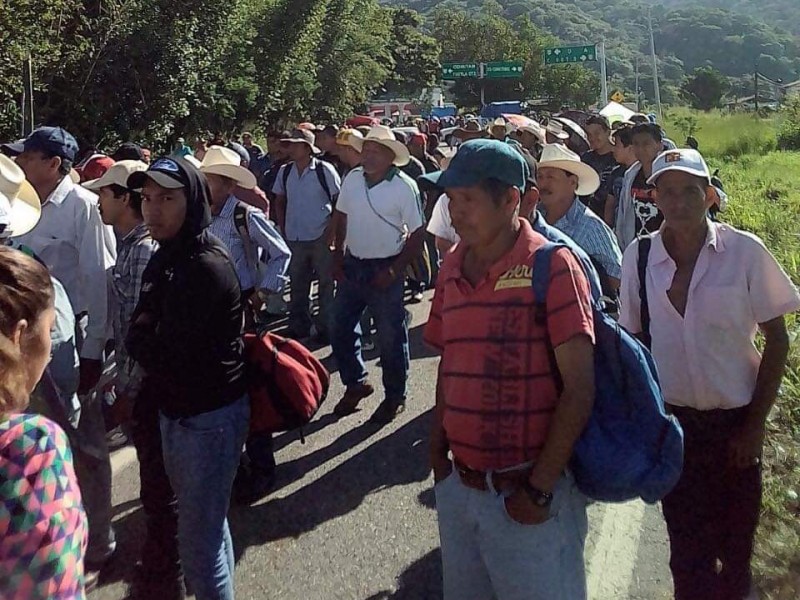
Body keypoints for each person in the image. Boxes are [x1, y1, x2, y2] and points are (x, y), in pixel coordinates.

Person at [618, 149, 800, 600]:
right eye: (669, 191)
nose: (679, 202)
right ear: (654, 197)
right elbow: (634, 344)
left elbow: (778, 339)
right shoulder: (639, 259)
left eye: (691, 191)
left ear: (711, 196)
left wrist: (754, 427)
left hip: (735, 425)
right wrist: (645, 425)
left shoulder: (744, 252)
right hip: (676, 430)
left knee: (736, 551)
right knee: (686, 551)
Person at [421, 139, 595, 600]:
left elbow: (580, 388)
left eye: (468, 200)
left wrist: (537, 491)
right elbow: (450, 362)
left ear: (511, 200)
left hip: (529, 495)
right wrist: (440, 455)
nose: (456, 213)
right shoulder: (451, 268)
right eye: (450, 199)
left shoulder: (553, 267)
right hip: (462, 490)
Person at [126, 157, 250, 600]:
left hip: (207, 419)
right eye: (146, 199)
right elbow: (141, 334)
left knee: (198, 545)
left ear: (193, 200)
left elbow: (159, 349)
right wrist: (143, 332)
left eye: (167, 198)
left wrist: (143, 333)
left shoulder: (204, 265)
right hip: (176, 411)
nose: (153, 209)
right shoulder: (167, 256)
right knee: (207, 529)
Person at [3, 126, 118, 572]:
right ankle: (48, 531)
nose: (20, 165)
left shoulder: (83, 207)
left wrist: (94, 352)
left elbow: (97, 279)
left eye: (27, 157)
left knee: (85, 444)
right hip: (24, 347)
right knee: (34, 443)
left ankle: (99, 541)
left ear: (53, 164)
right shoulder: (20, 206)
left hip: (71, 344)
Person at [0, 246, 88, 599]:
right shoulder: (27, 448)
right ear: (20, 335)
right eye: (50, 330)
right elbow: (52, 588)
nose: (50, 348)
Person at [330, 125, 426, 424]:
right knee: (340, 327)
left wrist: (395, 269)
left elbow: (419, 233)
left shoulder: (404, 186)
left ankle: (395, 396)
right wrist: (337, 255)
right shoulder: (352, 178)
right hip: (353, 264)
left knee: (390, 337)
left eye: (376, 152)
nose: (369, 156)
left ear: (390, 157)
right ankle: (356, 382)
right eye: (367, 150)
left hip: (386, 268)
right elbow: (341, 215)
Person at [272, 129, 341, 342]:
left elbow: (339, 202)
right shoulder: (285, 172)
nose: (290, 149)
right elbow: (279, 200)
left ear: (307, 148)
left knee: (326, 284)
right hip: (295, 236)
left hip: (320, 234)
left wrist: (331, 232)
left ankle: (327, 328)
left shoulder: (325, 170)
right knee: (298, 284)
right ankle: (299, 325)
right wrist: (283, 228)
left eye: (294, 144)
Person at [538, 144, 622, 295]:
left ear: (572, 182)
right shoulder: (532, 218)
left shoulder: (590, 227)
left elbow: (617, 277)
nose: (543, 184)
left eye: (550, 177)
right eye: (540, 177)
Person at [613, 123, 666, 251]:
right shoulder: (631, 175)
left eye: (646, 143)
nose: (641, 148)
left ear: (659, 145)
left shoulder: (667, 176)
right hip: (637, 247)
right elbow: (623, 214)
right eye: (636, 144)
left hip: (664, 247)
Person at [581, 115, 617, 217]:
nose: (592, 138)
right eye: (589, 134)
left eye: (597, 133)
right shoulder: (586, 158)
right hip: (589, 214)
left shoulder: (619, 158)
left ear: (608, 132)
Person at [602, 124, 637, 227]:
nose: (613, 150)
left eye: (617, 145)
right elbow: (610, 205)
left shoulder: (644, 174)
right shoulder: (616, 173)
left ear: (630, 148)